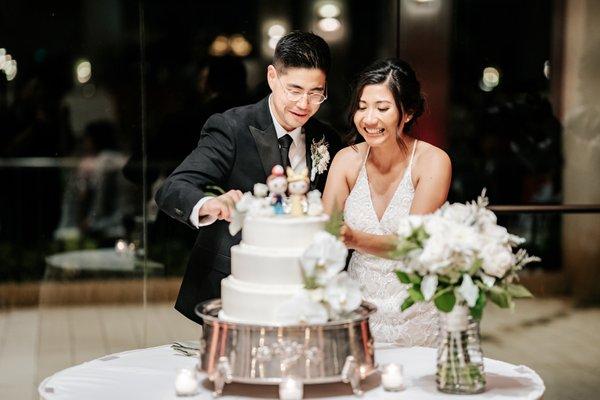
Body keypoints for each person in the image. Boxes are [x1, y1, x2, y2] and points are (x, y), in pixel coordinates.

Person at [155, 31, 342, 324]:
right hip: (235, 291)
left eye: (316, 93)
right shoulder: (231, 127)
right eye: (294, 90)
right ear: (272, 77)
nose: (304, 104)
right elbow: (174, 188)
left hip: (303, 293)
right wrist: (208, 203)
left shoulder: (327, 138)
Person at [322, 59, 452, 347]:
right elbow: (326, 229)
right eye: (362, 107)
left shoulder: (432, 162)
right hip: (356, 305)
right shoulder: (346, 160)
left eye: (382, 108)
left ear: (408, 113)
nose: (369, 119)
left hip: (415, 305)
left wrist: (354, 238)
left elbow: (410, 244)